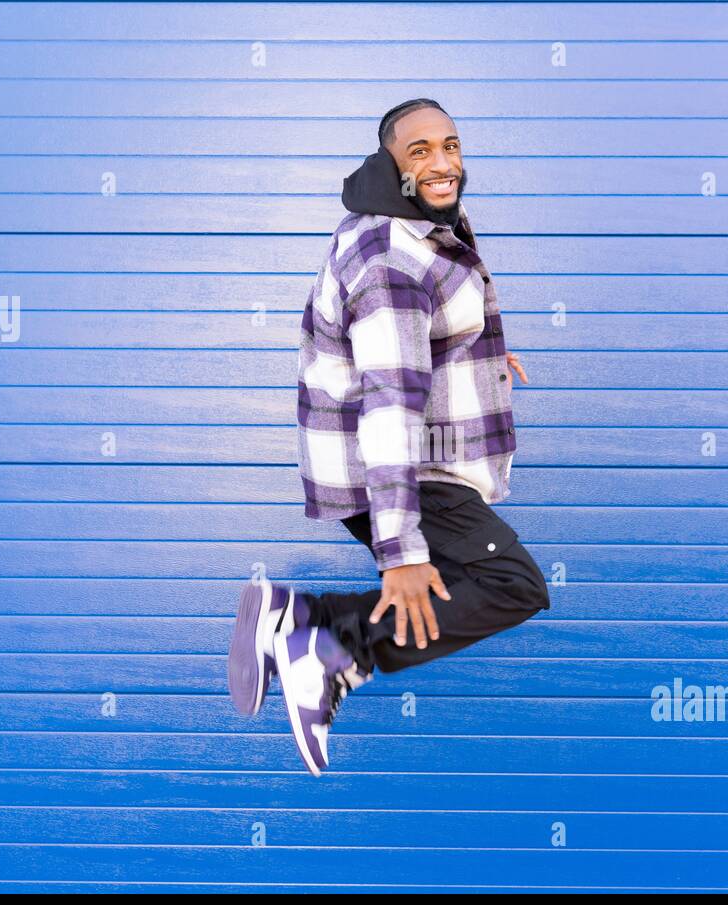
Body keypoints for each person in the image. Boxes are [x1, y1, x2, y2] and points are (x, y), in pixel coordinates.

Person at [228, 98, 550, 776]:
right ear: (390, 163)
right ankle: (328, 641)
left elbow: (433, 321)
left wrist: (481, 352)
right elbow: (389, 406)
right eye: (421, 151)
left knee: (466, 582)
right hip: (406, 468)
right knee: (510, 584)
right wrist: (399, 552)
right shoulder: (392, 262)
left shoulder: (416, 222)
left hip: (399, 465)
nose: (443, 163)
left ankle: (306, 621)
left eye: (451, 146)